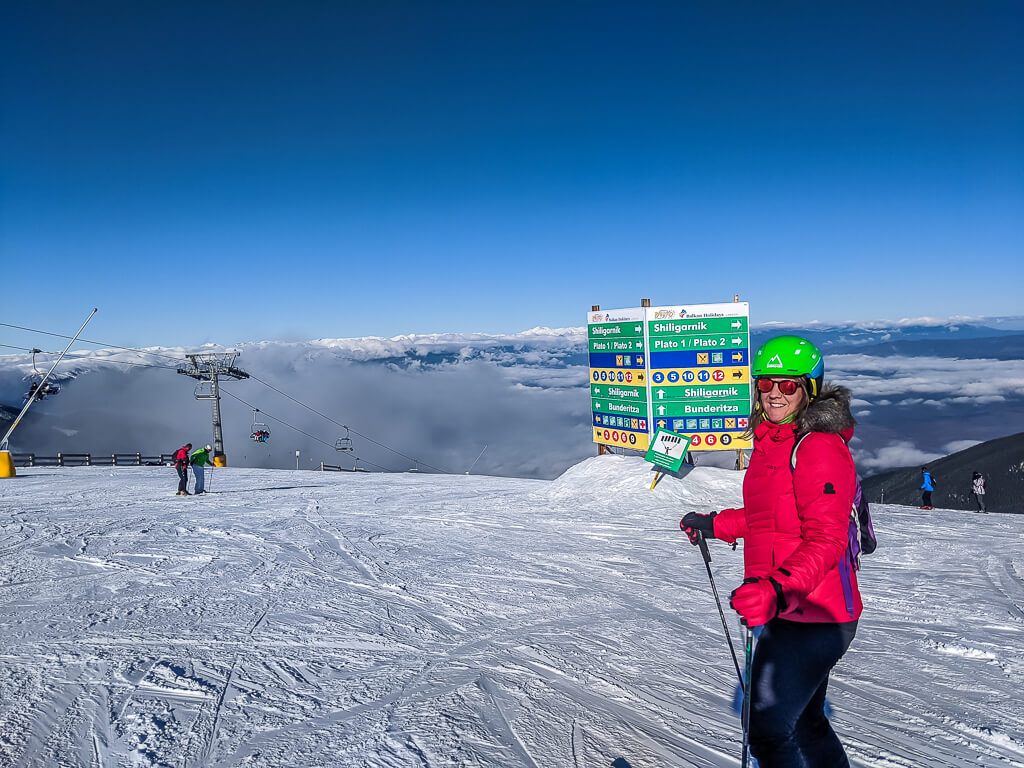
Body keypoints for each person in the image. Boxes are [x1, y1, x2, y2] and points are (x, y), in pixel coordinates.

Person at [681, 335, 861, 767]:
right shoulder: (776, 441)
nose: (775, 393)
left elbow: (827, 537)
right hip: (792, 606)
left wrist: (777, 590)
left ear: (809, 389)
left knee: (767, 733)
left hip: (815, 612)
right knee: (806, 723)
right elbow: (772, 515)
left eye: (788, 385)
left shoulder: (816, 446)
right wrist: (717, 523)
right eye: (766, 384)